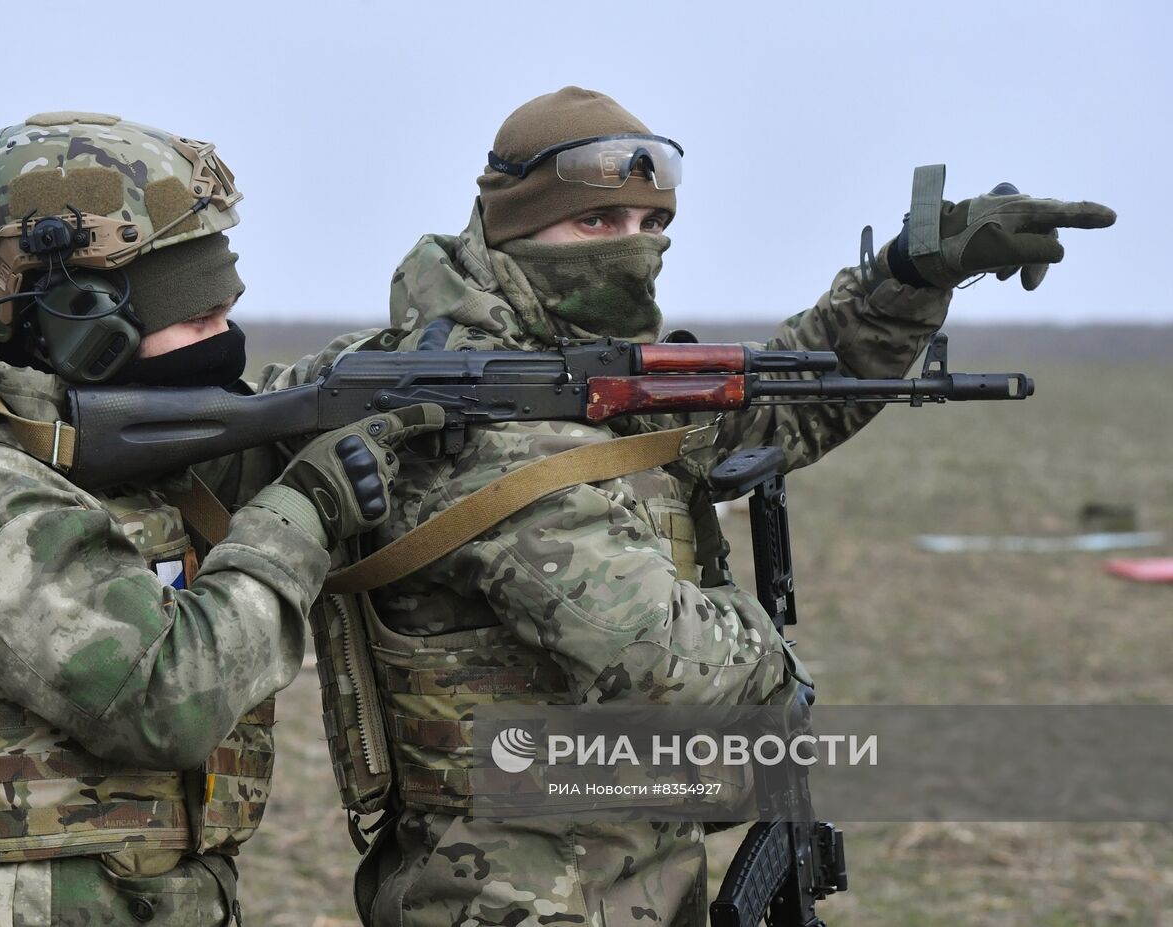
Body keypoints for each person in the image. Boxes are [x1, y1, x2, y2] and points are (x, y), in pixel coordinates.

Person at [309, 87, 1115, 925]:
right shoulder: (468, 412)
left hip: (628, 873)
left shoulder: (579, 378)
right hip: (512, 896)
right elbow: (676, 668)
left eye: (649, 224)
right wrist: (783, 674)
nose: (633, 247)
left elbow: (778, 405)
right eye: (596, 222)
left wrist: (907, 275)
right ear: (513, 224)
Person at [0, 112, 439, 926]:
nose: (223, 344)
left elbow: (270, 415)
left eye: (227, 311)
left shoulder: (130, 460)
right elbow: (164, 698)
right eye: (195, 318)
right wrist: (308, 508)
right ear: (79, 326)